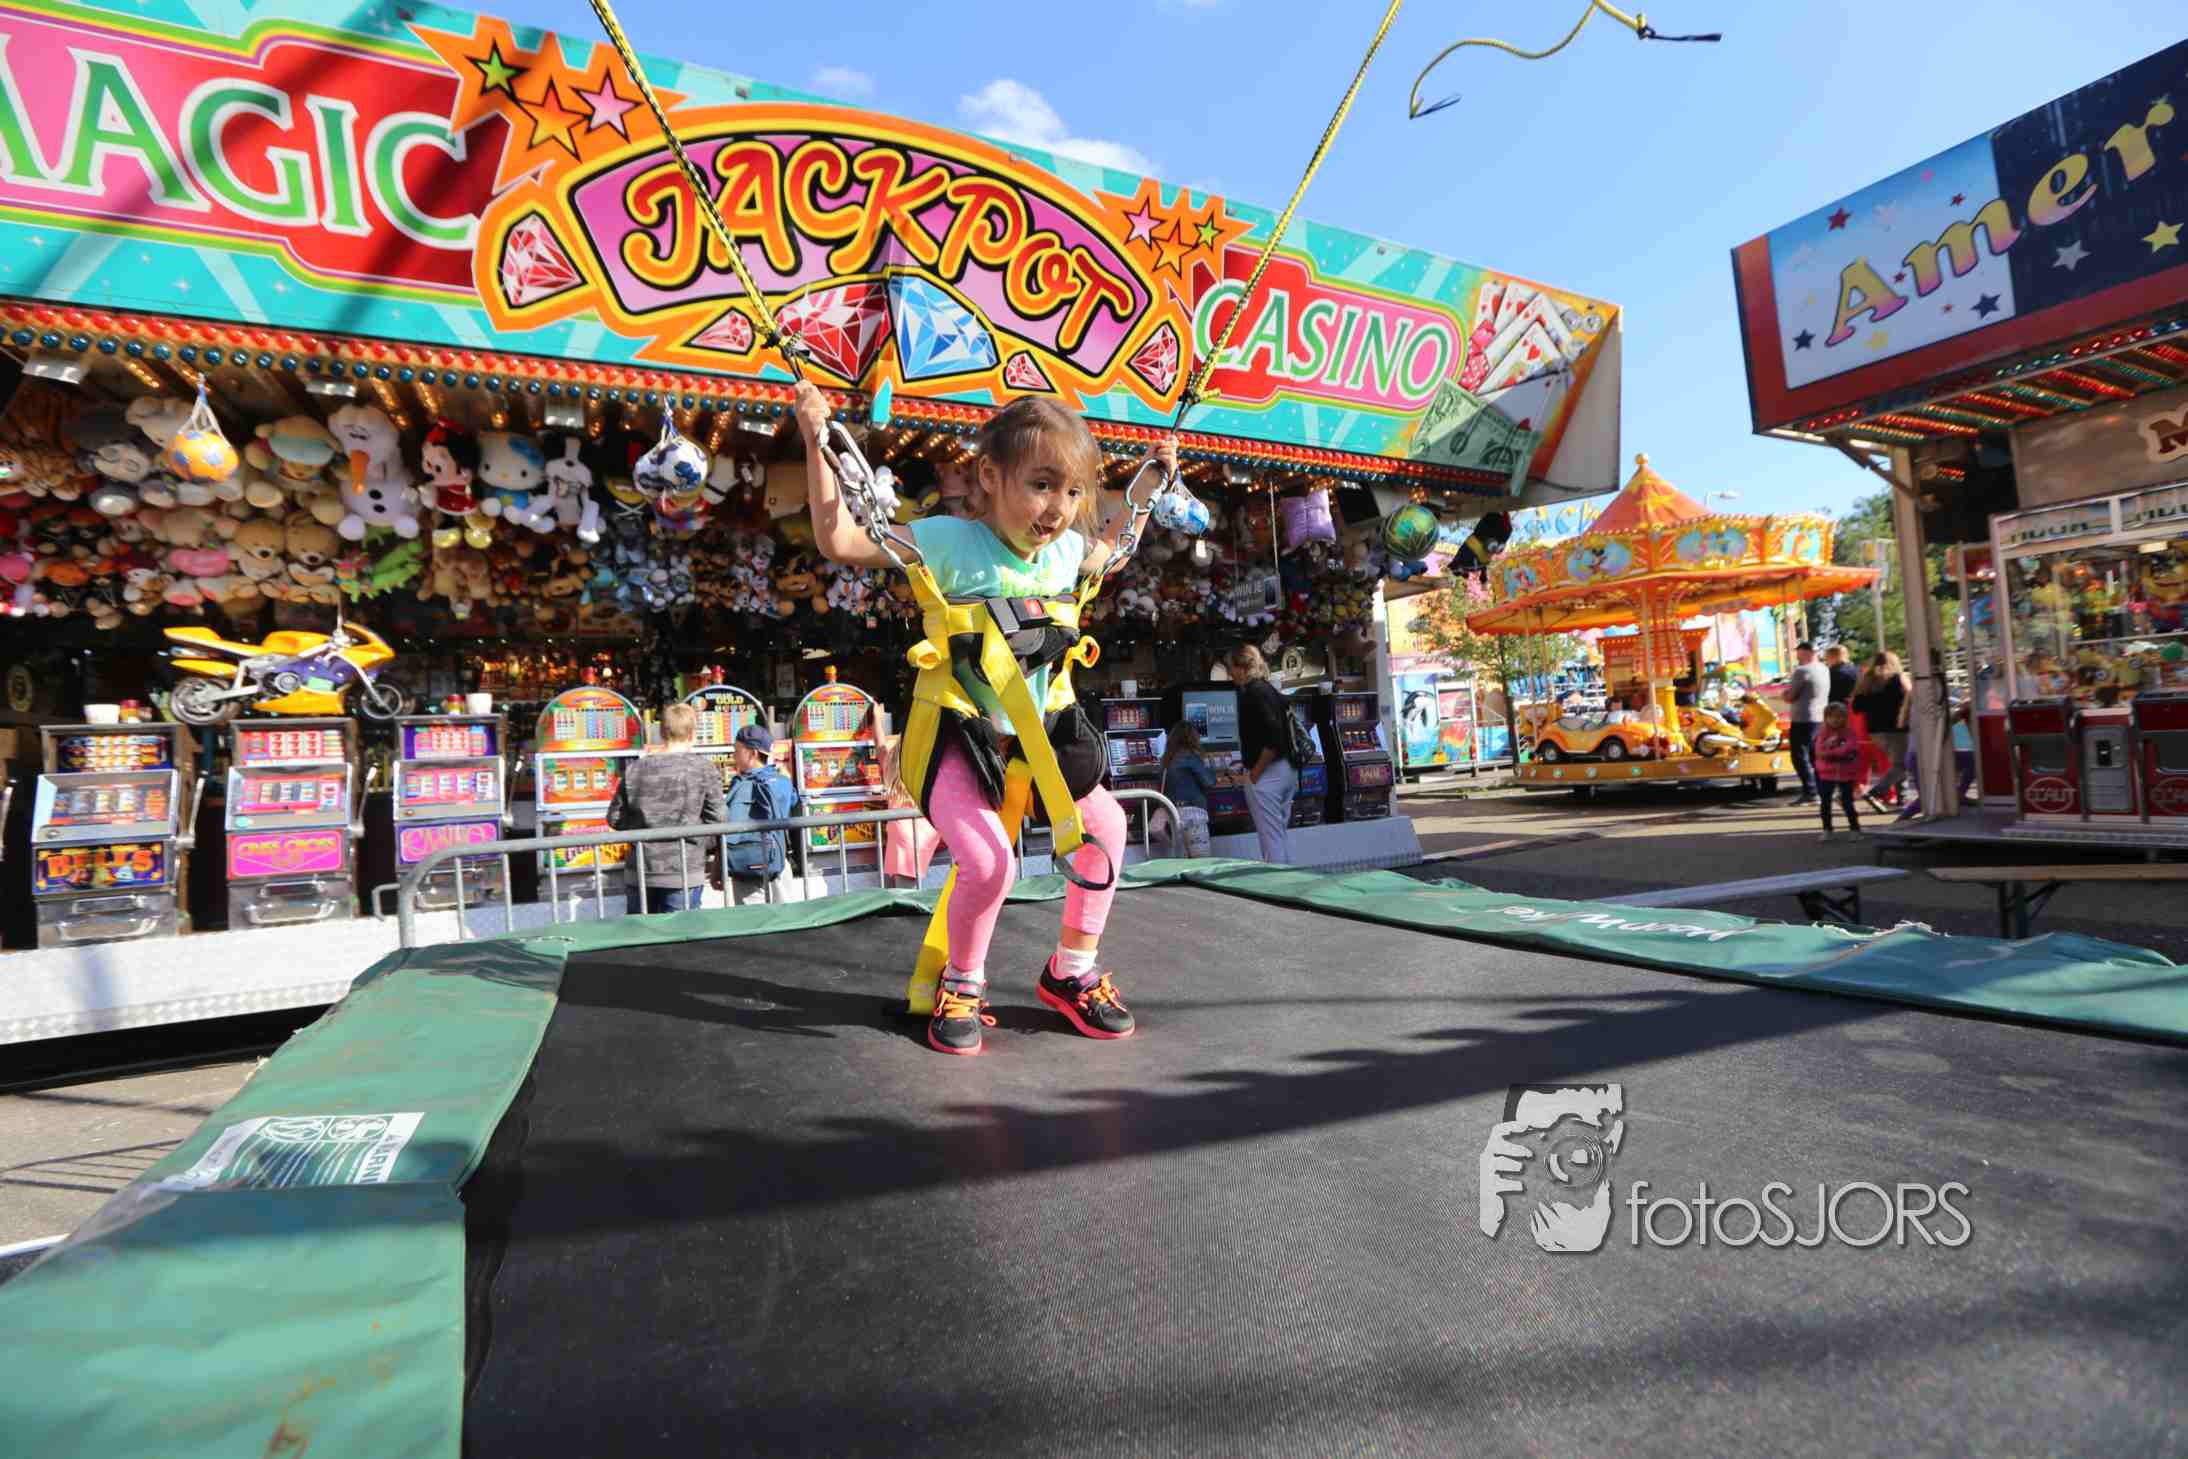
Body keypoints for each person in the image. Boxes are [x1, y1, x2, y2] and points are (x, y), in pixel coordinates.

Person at [797, 378, 1177, 1055]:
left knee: (1108, 827)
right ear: (990, 476)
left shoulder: (1065, 551)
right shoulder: (950, 542)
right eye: (1041, 485)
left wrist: (1146, 487)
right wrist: (816, 441)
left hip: (1035, 734)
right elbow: (842, 538)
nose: (1057, 509)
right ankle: (962, 981)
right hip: (957, 730)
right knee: (988, 860)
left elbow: (1114, 548)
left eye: (1072, 492)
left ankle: (1071, 970)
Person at [609, 702, 726, 914]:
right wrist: (700, 839)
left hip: (641, 870)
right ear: (692, 734)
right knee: (682, 932)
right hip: (685, 870)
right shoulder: (704, 769)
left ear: (662, 732)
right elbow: (719, 819)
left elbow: (615, 818)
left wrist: (642, 830)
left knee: (640, 933)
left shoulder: (635, 768)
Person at [1228, 644, 1297, 864]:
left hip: (1268, 774)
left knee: (1271, 840)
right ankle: (1288, 877)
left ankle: (1277, 881)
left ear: (1241, 667)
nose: (1230, 674)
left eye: (1231, 668)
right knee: (1278, 836)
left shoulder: (1253, 693)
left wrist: (1255, 773)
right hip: (1287, 769)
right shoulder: (1268, 689)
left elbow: (1273, 738)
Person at [720, 722, 795, 905]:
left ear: (752, 753)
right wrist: (787, 779)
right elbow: (792, 801)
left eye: (737, 750)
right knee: (786, 918)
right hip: (778, 862)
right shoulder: (782, 781)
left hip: (745, 864)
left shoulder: (739, 784)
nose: (733, 755)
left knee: (752, 919)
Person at [1851, 650, 1911, 810]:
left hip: (1875, 730)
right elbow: (1911, 696)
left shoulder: (1867, 680)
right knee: (1902, 764)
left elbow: (1857, 707)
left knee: (1897, 763)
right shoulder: (1899, 678)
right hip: (1898, 727)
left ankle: (1902, 798)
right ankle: (1875, 793)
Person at [1811, 701, 1866, 841]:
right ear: (1826, 718)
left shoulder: (1849, 733)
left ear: (1845, 718)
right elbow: (1819, 751)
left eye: (1839, 716)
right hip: (1826, 773)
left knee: (1847, 802)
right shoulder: (1822, 733)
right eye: (1832, 716)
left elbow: (1850, 748)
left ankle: (1855, 829)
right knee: (1825, 802)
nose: (1835, 719)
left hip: (1846, 772)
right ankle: (1827, 829)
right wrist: (1836, 752)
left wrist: (1832, 752)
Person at [1158, 721, 1215, 858]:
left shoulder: (1166, 759)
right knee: (1201, 860)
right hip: (1193, 815)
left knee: (1183, 861)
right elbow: (1209, 782)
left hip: (1174, 814)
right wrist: (1211, 766)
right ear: (1192, 738)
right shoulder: (1190, 757)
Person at [1782, 641, 1828, 805]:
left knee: (1799, 755)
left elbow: (1790, 696)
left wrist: (1784, 694)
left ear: (1805, 652)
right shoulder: (1824, 669)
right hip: (1820, 716)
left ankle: (1810, 792)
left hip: (1802, 717)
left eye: (1798, 652)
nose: (1797, 656)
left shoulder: (1802, 671)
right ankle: (1821, 789)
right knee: (1815, 755)